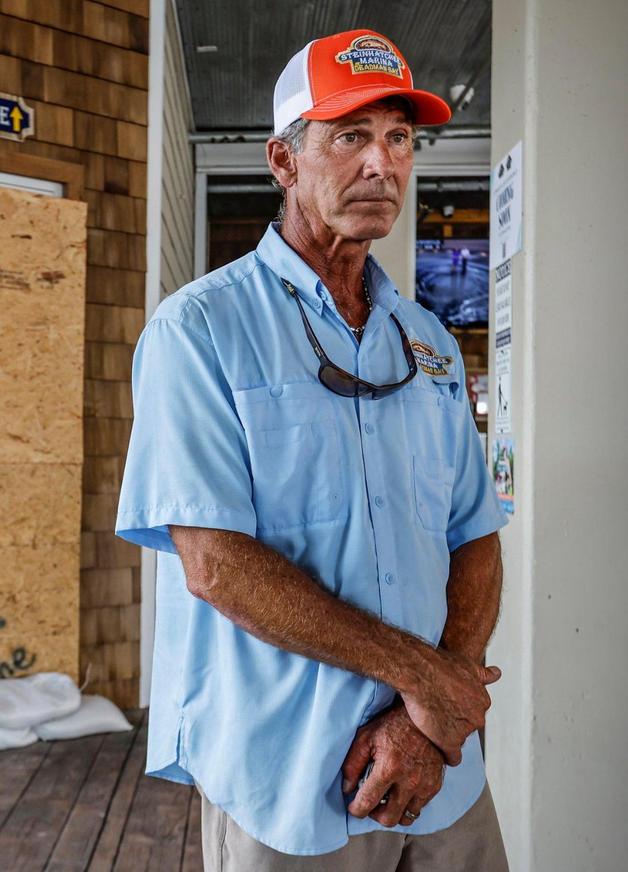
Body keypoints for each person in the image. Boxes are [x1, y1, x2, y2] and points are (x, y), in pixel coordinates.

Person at [115, 29, 509, 871]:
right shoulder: (200, 332)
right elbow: (215, 563)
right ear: (284, 162)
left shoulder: (428, 342)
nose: (383, 164)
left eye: (400, 138)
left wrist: (430, 709)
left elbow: (474, 535)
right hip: (289, 777)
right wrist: (429, 680)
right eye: (351, 137)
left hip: (442, 771)